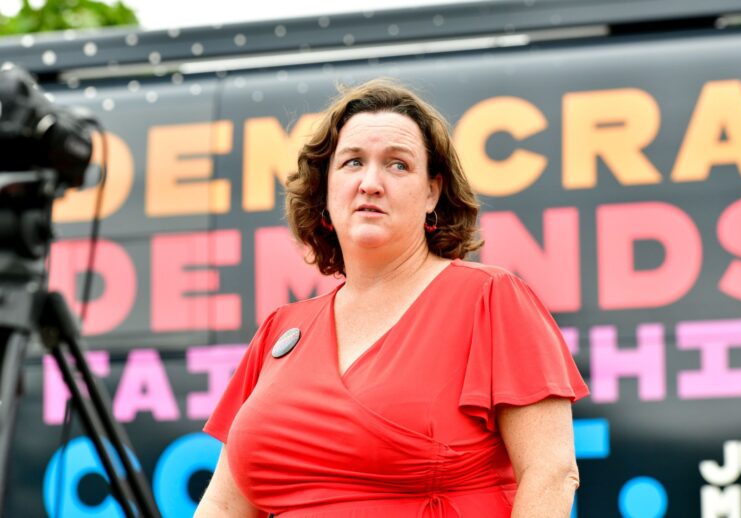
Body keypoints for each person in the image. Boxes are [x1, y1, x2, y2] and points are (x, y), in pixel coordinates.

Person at [195, 78, 589, 517]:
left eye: (397, 165)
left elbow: (551, 473)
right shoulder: (280, 330)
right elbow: (224, 506)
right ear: (325, 190)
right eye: (352, 163)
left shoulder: (490, 298)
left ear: (431, 193)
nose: (370, 183)